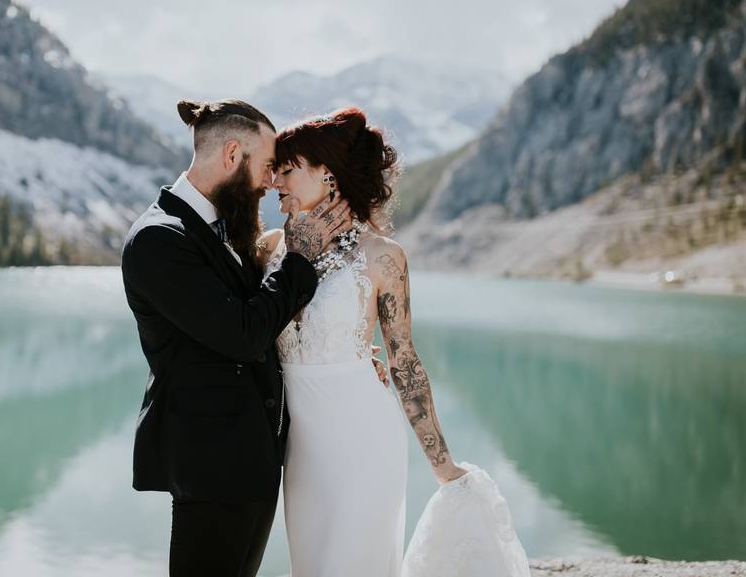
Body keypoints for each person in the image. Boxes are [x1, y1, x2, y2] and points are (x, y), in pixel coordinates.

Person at [259, 107, 531, 577]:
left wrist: (440, 462)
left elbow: (404, 361)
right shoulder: (268, 249)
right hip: (301, 451)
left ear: (327, 175)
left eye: (287, 170)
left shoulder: (383, 258)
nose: (274, 182)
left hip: (366, 440)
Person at [120, 99, 387, 577]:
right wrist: (299, 258)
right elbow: (243, 335)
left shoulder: (225, 227)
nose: (270, 182)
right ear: (231, 155)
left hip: (255, 458)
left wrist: (340, 351)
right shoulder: (160, 239)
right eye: (266, 167)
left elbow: (259, 321)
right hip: (210, 462)